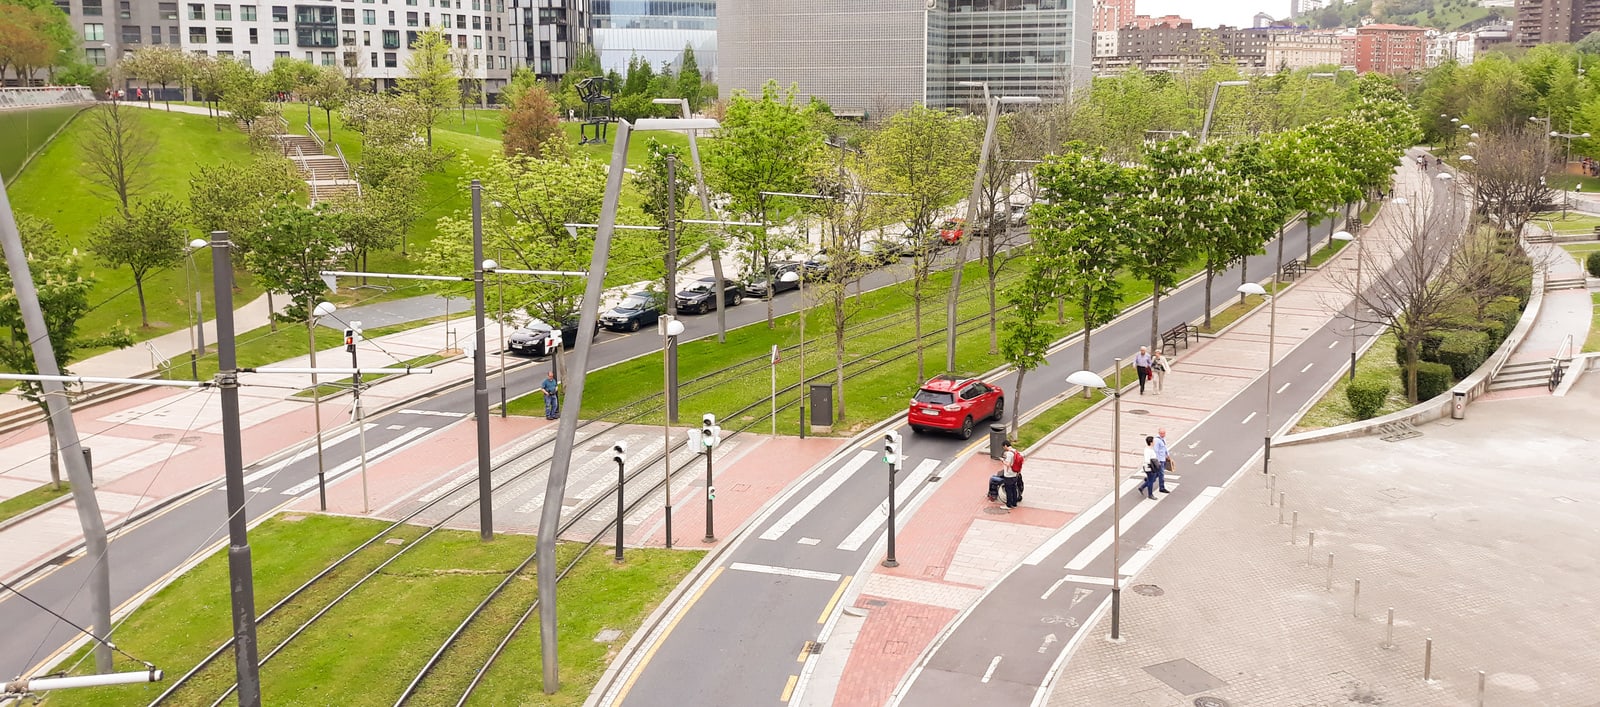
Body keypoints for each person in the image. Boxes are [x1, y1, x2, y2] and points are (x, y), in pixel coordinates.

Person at [988, 440, 1022, 508]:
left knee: (1008, 490)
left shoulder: (1009, 454)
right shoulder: (1015, 451)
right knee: (1014, 489)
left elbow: (1008, 464)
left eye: (1004, 447)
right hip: (1015, 473)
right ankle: (1014, 504)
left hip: (1009, 474)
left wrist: (1002, 460)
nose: (1004, 448)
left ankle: (1008, 505)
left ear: (1006, 446)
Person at [1152, 428, 1172, 494]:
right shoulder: (1157, 440)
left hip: (1163, 458)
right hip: (1160, 460)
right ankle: (1162, 487)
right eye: (1161, 433)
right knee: (1161, 474)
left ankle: (1147, 482)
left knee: (1158, 474)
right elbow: (1156, 451)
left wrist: (1167, 455)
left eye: (1164, 433)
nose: (1163, 435)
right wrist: (1158, 461)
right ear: (1159, 433)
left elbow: (1164, 448)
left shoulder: (1163, 439)